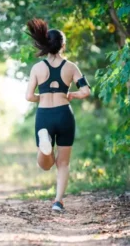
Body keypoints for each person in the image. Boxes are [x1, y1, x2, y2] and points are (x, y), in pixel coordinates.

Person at [25, 18, 91, 211]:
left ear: (46, 44)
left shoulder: (37, 68)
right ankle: (58, 202)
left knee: (45, 164)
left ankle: (45, 150)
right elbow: (86, 91)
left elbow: (29, 97)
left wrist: (43, 96)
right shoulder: (71, 67)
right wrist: (71, 94)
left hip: (44, 114)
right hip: (64, 114)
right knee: (63, 163)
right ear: (63, 45)